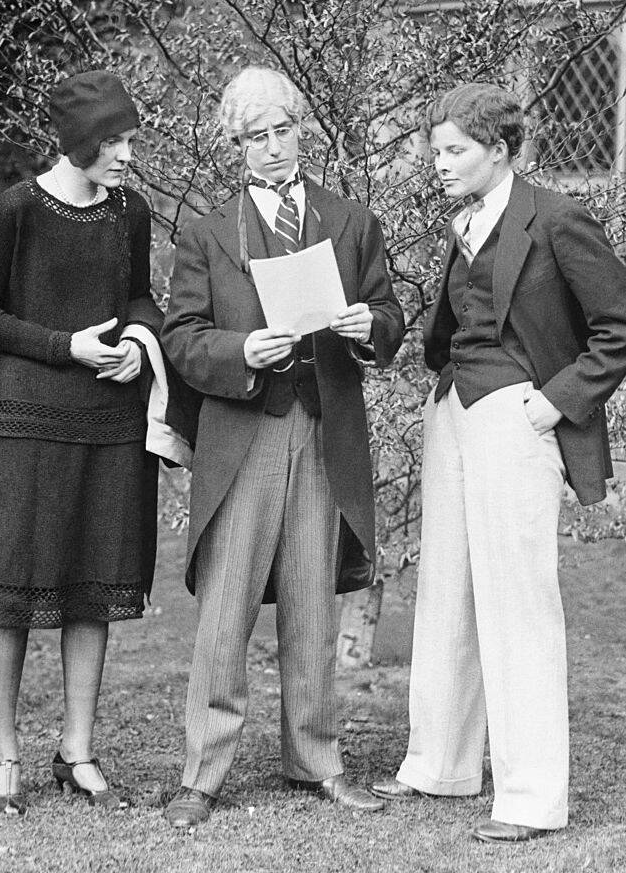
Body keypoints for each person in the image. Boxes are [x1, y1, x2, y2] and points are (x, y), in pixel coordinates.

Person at [372, 83, 626, 843]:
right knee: (446, 590)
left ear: (498, 150)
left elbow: (624, 325)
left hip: (517, 419)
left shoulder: (556, 219)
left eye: (453, 150)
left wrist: (553, 403)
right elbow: (453, 326)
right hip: (453, 412)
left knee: (517, 602)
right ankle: (440, 765)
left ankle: (529, 798)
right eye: (434, 151)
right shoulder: (462, 221)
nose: (439, 164)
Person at [159, 66, 405, 828]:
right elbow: (182, 339)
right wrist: (241, 350)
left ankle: (316, 759)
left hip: (324, 430)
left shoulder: (350, 220)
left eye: (282, 131)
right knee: (227, 607)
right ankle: (202, 773)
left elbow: (390, 314)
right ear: (234, 146)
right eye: (253, 137)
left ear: (302, 129)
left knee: (311, 601)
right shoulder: (206, 233)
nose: (270, 148)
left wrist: (373, 329)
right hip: (245, 432)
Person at [0, 70, 162, 814]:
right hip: (29, 424)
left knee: (92, 587)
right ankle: (3, 751)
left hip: (111, 423)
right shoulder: (18, 209)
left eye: (128, 139)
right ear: (77, 142)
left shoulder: (129, 213)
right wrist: (62, 346)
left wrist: (141, 339)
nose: (125, 155)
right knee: (11, 592)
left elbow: (138, 294)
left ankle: (76, 749)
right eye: (113, 142)